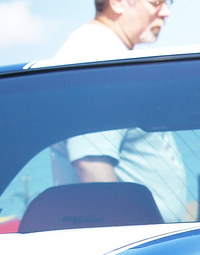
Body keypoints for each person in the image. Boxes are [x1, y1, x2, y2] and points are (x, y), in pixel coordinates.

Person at [50, 0, 186, 222]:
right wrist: (122, 237)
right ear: (118, 3)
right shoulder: (97, 58)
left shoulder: (103, 55)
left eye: (168, 2)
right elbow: (91, 163)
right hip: (135, 247)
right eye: (155, 2)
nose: (166, 12)